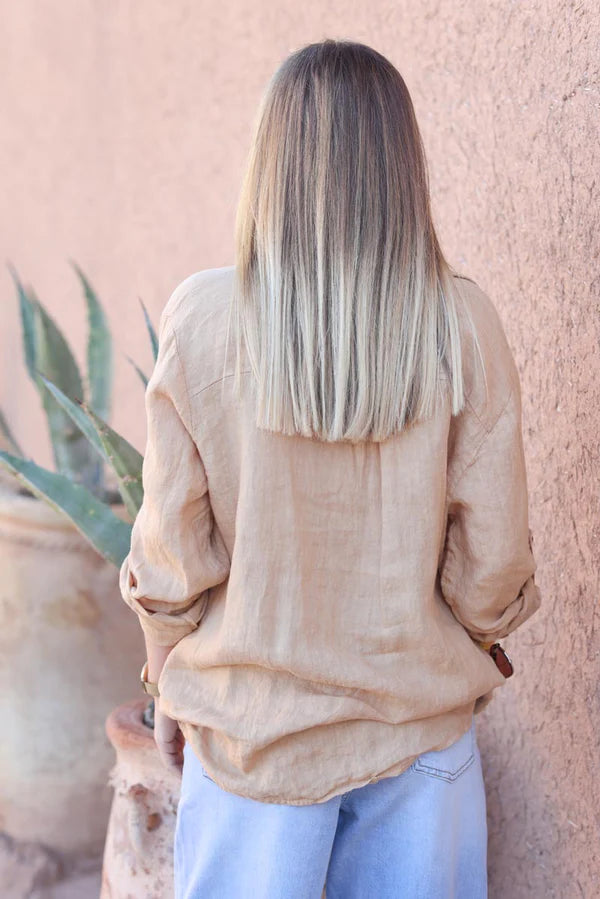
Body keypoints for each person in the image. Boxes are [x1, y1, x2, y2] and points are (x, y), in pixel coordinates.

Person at [119, 38, 542, 899]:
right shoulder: (461, 322)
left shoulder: (202, 318)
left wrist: (164, 680)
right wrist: (462, 648)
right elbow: (493, 568)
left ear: (270, 161)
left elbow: (170, 560)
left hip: (250, 746)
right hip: (421, 737)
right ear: (400, 164)